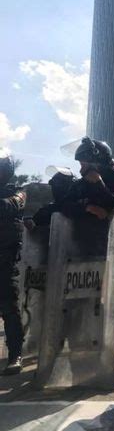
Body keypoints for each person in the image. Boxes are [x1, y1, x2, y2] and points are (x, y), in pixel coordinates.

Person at [67, 137, 114, 379]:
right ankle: (84, 357)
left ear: (97, 162)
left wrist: (98, 186)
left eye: (84, 163)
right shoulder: (81, 182)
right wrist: (87, 207)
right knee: (81, 307)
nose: (81, 168)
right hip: (85, 252)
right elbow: (63, 204)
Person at [0, 150, 26, 374]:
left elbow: (8, 207)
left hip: (4, 262)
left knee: (9, 309)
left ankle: (15, 354)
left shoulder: (17, 193)